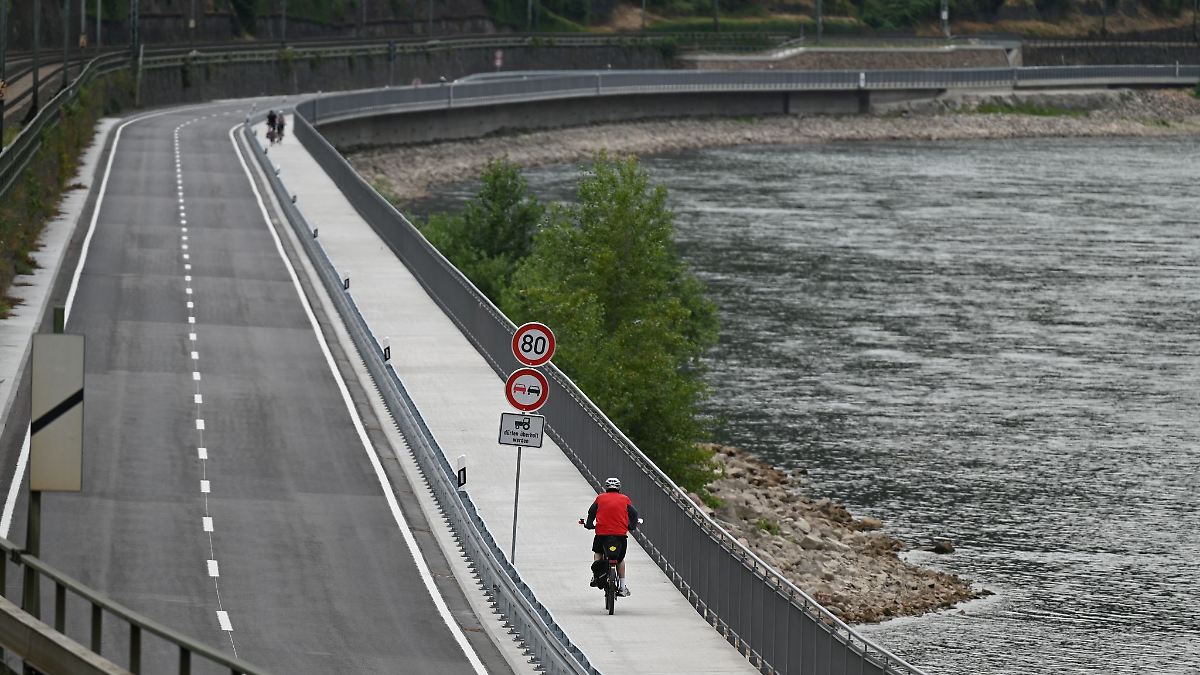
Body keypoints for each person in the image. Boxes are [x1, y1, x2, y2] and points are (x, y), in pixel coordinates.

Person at [583, 477, 639, 597]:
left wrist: (588, 524)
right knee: (620, 559)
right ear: (618, 488)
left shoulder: (600, 498)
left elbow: (591, 512)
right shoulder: (625, 499)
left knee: (598, 552)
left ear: (606, 487)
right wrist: (632, 526)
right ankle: (622, 587)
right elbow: (634, 514)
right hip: (620, 535)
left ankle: (595, 576)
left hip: (602, 534)